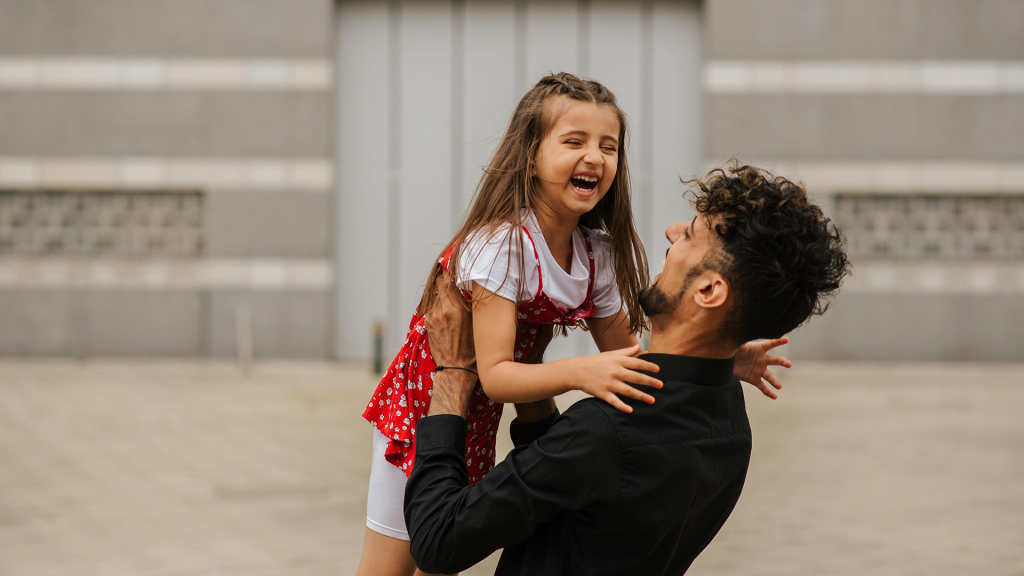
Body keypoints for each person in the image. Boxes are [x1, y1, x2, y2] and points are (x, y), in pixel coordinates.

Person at [355, 75, 786, 576]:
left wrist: (722, 358)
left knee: (446, 551)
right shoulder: (503, 246)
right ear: (530, 157)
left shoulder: (596, 253)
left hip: (478, 414)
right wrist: (581, 373)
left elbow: (634, 361)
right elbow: (494, 375)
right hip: (425, 404)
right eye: (574, 141)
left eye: (609, 146)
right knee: (389, 567)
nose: (595, 157)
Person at [405, 163, 850, 575]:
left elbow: (438, 540)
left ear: (710, 290)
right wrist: (529, 365)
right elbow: (573, 492)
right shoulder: (731, 427)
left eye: (691, 235)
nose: (672, 233)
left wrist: (451, 374)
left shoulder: (605, 431)